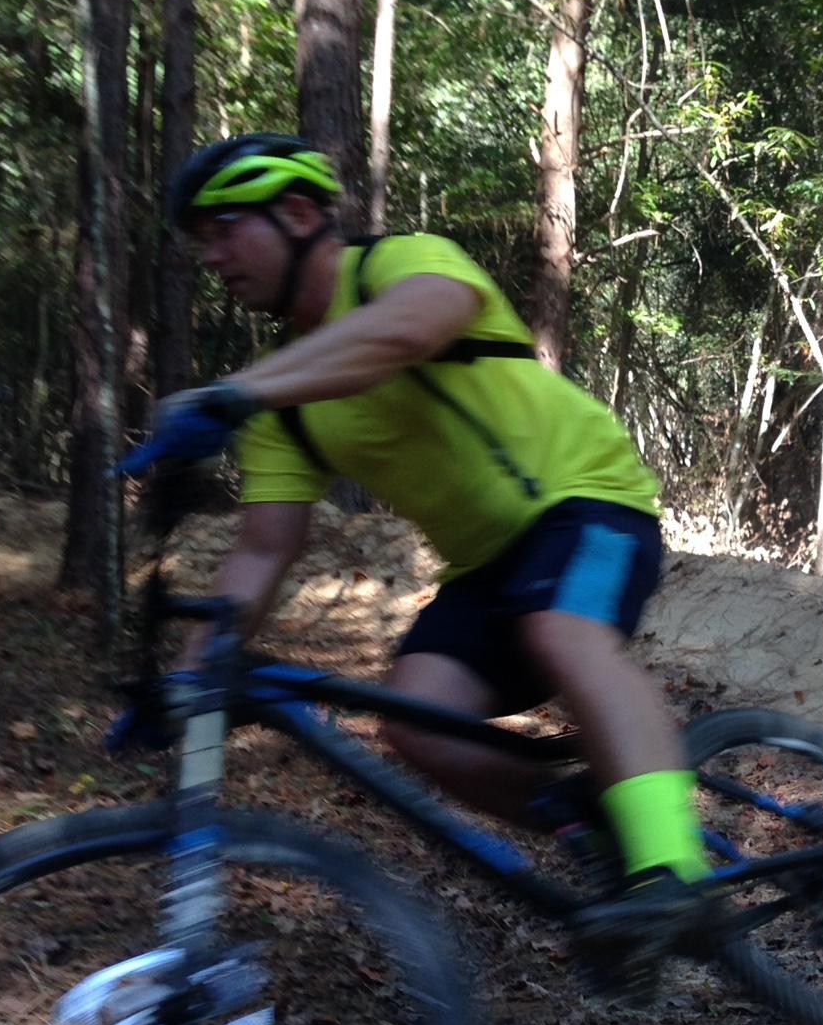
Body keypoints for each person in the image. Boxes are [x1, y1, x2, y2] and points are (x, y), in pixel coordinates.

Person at [128, 132, 711, 978]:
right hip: (481, 568)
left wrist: (238, 392)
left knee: (562, 629)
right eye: (202, 241)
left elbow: (405, 332)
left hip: (588, 501)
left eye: (225, 230)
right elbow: (262, 550)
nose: (211, 257)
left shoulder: (402, 264)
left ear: (298, 215)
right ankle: (593, 824)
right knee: (412, 718)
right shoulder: (281, 398)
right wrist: (189, 677)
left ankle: (676, 872)